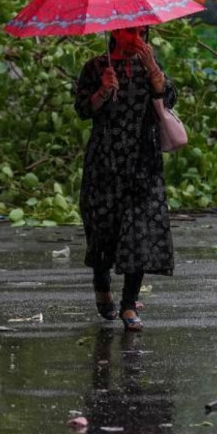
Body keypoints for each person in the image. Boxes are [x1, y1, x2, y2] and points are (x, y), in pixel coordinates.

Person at [73, 25, 176, 332]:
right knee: (104, 226)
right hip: (105, 160)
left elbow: (168, 99)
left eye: (142, 32)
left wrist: (154, 70)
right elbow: (82, 110)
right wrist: (103, 90)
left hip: (143, 160)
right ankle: (101, 282)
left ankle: (129, 304)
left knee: (140, 231)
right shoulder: (95, 67)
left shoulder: (149, 64)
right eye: (130, 32)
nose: (137, 39)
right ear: (116, 32)